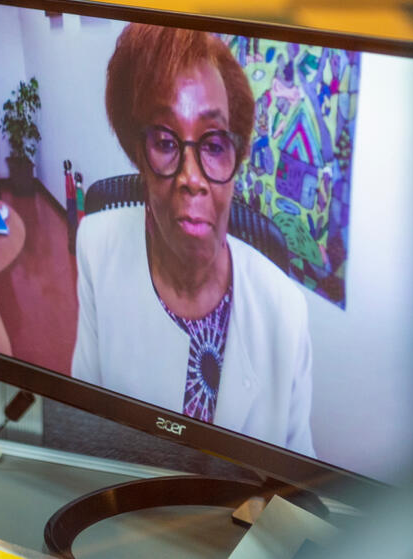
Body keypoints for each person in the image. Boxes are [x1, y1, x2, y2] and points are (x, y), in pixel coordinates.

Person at [71, 23, 315, 457]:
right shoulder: (95, 246)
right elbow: (85, 425)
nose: (191, 178)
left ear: (235, 160)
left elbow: (300, 482)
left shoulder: (286, 312)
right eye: (165, 141)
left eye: (214, 143)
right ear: (139, 157)